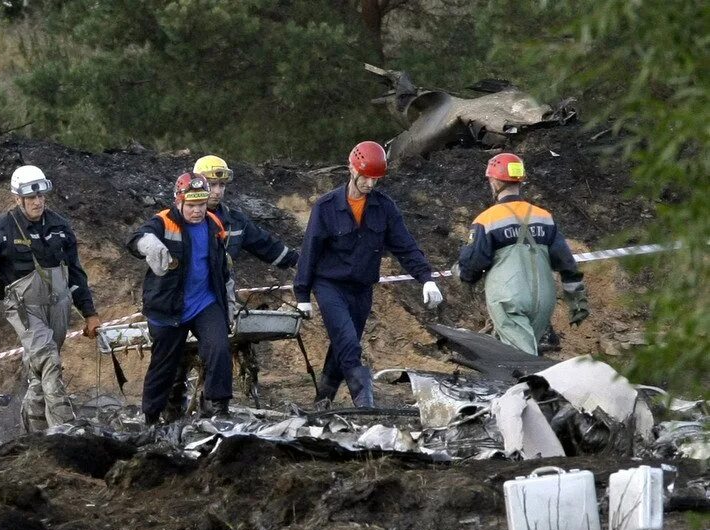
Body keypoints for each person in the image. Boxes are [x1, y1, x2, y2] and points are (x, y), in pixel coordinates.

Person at [0, 165, 102, 432]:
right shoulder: (2, 230)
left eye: (41, 195)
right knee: (50, 359)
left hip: (59, 306)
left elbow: (76, 274)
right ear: (17, 198)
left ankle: (34, 433)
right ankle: (63, 430)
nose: (38, 201)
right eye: (31, 197)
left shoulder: (61, 227)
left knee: (40, 371)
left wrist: (89, 313)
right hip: (23, 308)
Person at [294, 141, 443, 408]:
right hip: (330, 285)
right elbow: (310, 250)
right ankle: (364, 403)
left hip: (361, 288)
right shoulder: (326, 207)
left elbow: (405, 246)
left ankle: (323, 399)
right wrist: (302, 293)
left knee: (343, 343)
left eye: (376, 179)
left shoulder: (384, 208)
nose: (370, 185)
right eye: (366, 177)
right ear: (352, 168)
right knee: (349, 343)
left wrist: (426, 279)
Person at [164, 155, 299, 412]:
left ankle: (217, 409)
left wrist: (301, 262)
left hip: (215, 299)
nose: (216, 192)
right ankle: (170, 409)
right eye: (211, 185)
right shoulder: (175, 220)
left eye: (221, 186)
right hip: (177, 298)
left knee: (218, 348)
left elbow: (268, 247)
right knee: (176, 353)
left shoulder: (235, 222)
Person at [455, 152, 588, 355]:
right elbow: (567, 264)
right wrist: (577, 301)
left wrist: (461, 273)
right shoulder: (544, 217)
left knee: (522, 359)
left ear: (495, 181)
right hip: (544, 300)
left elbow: (473, 264)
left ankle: (530, 385)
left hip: (509, 299)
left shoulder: (488, 219)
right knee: (517, 350)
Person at [128, 172, 233, 425]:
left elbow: (222, 269)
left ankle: (217, 409)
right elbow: (135, 239)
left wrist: (228, 302)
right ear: (179, 202)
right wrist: (149, 245)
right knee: (164, 363)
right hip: (168, 306)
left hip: (205, 302)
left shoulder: (214, 225)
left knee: (219, 348)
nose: (198, 211)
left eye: (202, 204)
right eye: (192, 205)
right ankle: (152, 416)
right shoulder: (164, 222)